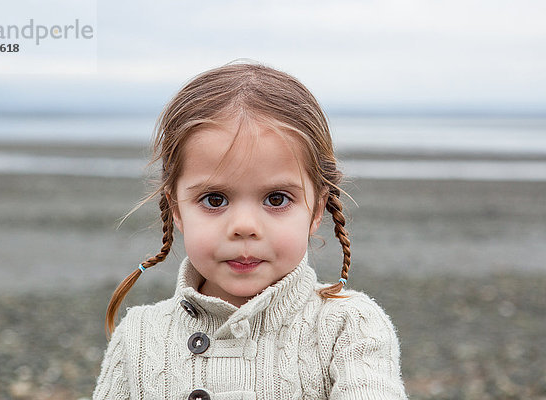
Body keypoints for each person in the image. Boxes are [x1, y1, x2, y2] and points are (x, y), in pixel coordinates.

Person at [93, 62, 407, 399]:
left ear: (317, 209)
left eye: (276, 198)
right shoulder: (139, 336)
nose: (244, 227)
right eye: (214, 199)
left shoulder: (348, 326)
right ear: (177, 210)